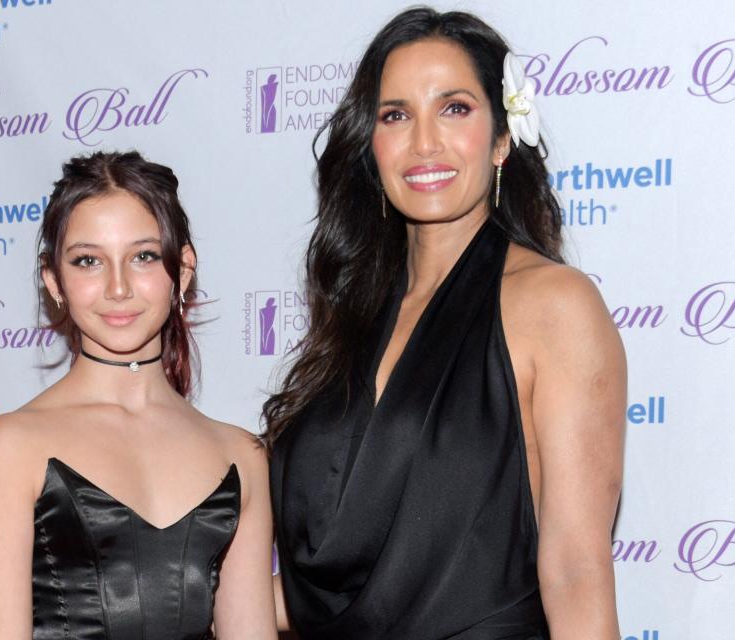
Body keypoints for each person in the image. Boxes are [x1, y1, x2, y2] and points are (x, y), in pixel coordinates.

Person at [264, 8, 625, 640]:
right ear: (371, 148)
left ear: (503, 136)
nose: (424, 143)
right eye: (395, 115)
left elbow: (574, 570)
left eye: (454, 108)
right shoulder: (350, 318)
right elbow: (331, 583)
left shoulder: (555, 305)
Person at [0, 151, 277, 640]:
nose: (118, 287)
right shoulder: (11, 447)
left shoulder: (241, 456)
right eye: (89, 261)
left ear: (183, 270)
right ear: (54, 281)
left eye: (143, 256)